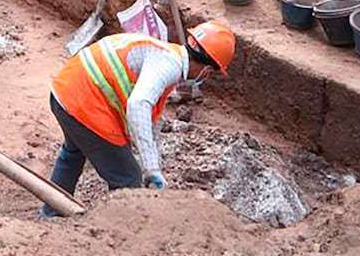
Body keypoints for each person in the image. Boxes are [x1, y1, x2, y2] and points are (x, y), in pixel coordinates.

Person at [41, 21, 237, 215]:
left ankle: (51, 215)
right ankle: (117, 234)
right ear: (208, 70)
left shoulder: (164, 53)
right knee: (128, 179)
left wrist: (153, 163)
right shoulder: (168, 65)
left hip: (65, 92)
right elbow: (138, 105)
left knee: (73, 153)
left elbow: (149, 120)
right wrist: (150, 168)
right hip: (84, 105)